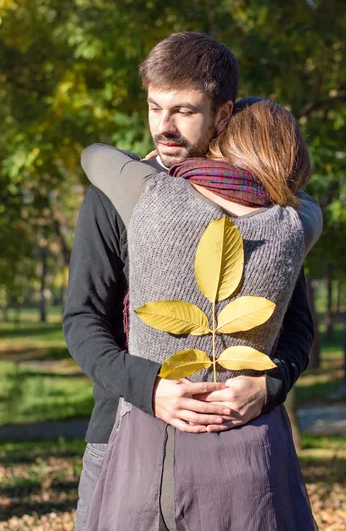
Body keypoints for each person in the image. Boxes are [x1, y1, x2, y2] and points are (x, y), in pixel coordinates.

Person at [63, 32, 318, 529]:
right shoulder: (114, 196)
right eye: (155, 107)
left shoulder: (267, 206)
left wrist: (269, 385)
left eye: (183, 111)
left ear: (222, 115)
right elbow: (82, 321)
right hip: (122, 430)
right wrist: (150, 387)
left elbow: (298, 330)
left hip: (239, 445)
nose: (164, 126)